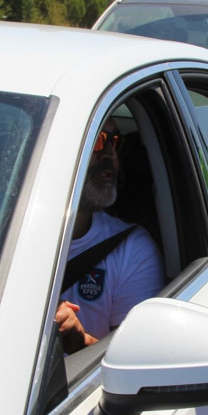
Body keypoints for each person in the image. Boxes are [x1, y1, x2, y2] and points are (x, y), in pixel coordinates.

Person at [56, 118, 166, 353]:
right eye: (97, 140)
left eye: (115, 143)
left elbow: (133, 360)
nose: (110, 155)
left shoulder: (131, 250)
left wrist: (79, 340)